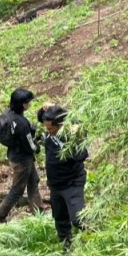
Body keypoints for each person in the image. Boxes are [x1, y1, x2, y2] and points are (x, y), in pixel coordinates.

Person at [38, 105, 88, 247]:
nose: (48, 131)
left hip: (71, 183)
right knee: (60, 218)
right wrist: (47, 108)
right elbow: (41, 116)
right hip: (55, 184)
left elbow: (81, 155)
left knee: (78, 219)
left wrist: (76, 134)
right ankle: (67, 247)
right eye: (46, 128)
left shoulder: (70, 137)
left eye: (50, 128)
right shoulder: (50, 131)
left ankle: (99, 235)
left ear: (60, 125)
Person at [0, 88, 45, 223]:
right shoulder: (21, 124)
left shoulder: (8, 114)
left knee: (33, 180)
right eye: (28, 102)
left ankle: (39, 212)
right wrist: (37, 147)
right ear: (23, 104)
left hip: (14, 154)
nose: (30, 104)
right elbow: (29, 145)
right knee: (17, 190)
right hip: (22, 160)